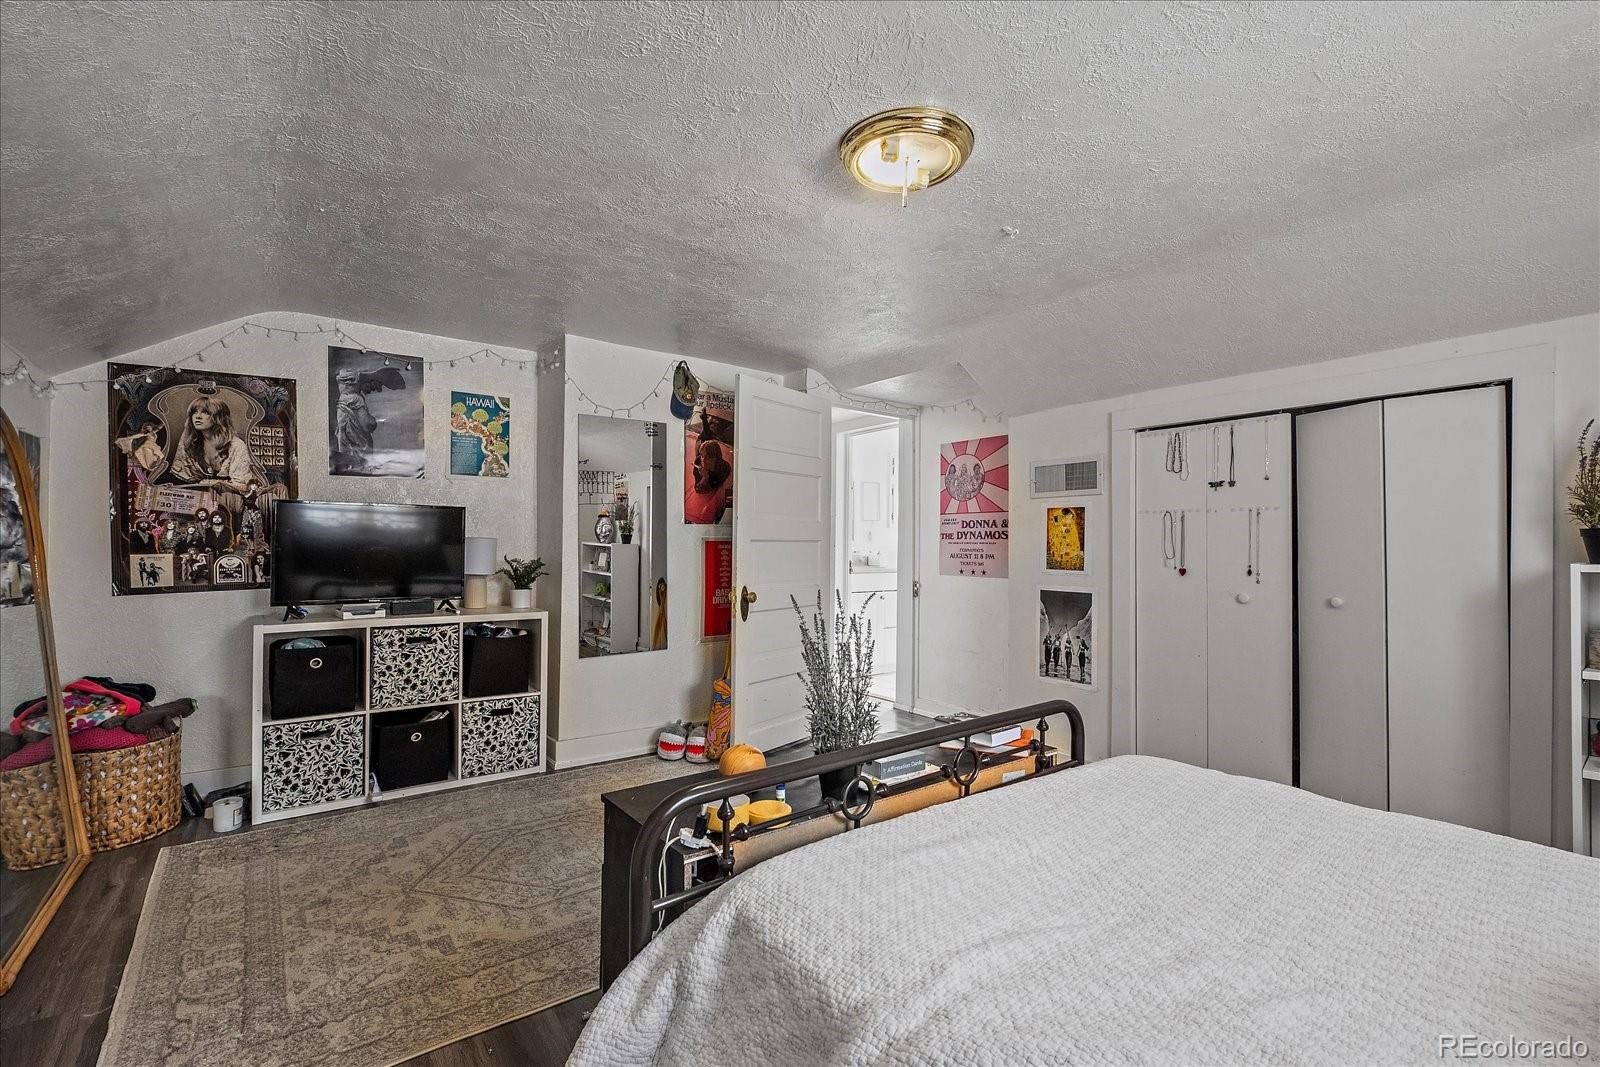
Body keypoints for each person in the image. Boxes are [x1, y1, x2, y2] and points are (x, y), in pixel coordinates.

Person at [334, 367, 379, 469]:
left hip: (345, 446)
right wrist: (373, 422)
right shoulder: (356, 399)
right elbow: (367, 424)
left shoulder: (342, 399)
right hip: (358, 449)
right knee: (361, 467)